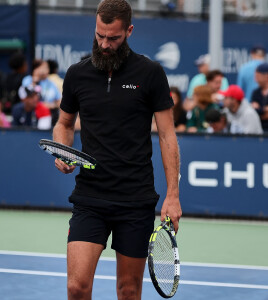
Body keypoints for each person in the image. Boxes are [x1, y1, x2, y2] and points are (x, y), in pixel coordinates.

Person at [52, 1, 182, 299]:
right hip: (90, 197)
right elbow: (64, 123)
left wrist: (173, 196)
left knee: (127, 290)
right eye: (100, 36)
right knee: (76, 286)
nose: (105, 44)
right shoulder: (77, 74)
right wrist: (63, 149)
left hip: (135, 200)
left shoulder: (150, 73)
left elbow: (166, 136)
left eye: (113, 38)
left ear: (129, 31)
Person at [22, 59, 61, 125]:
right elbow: (26, 97)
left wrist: (52, 105)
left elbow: (59, 101)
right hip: (32, 114)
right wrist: (35, 80)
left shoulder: (51, 83)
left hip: (49, 114)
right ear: (36, 68)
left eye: (47, 67)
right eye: (43, 68)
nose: (46, 70)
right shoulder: (28, 79)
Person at [251, 63, 268, 132]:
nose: (255, 80)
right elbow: (253, 113)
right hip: (258, 130)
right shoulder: (256, 92)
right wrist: (264, 110)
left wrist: (259, 109)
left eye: (257, 76)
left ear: (266, 76)